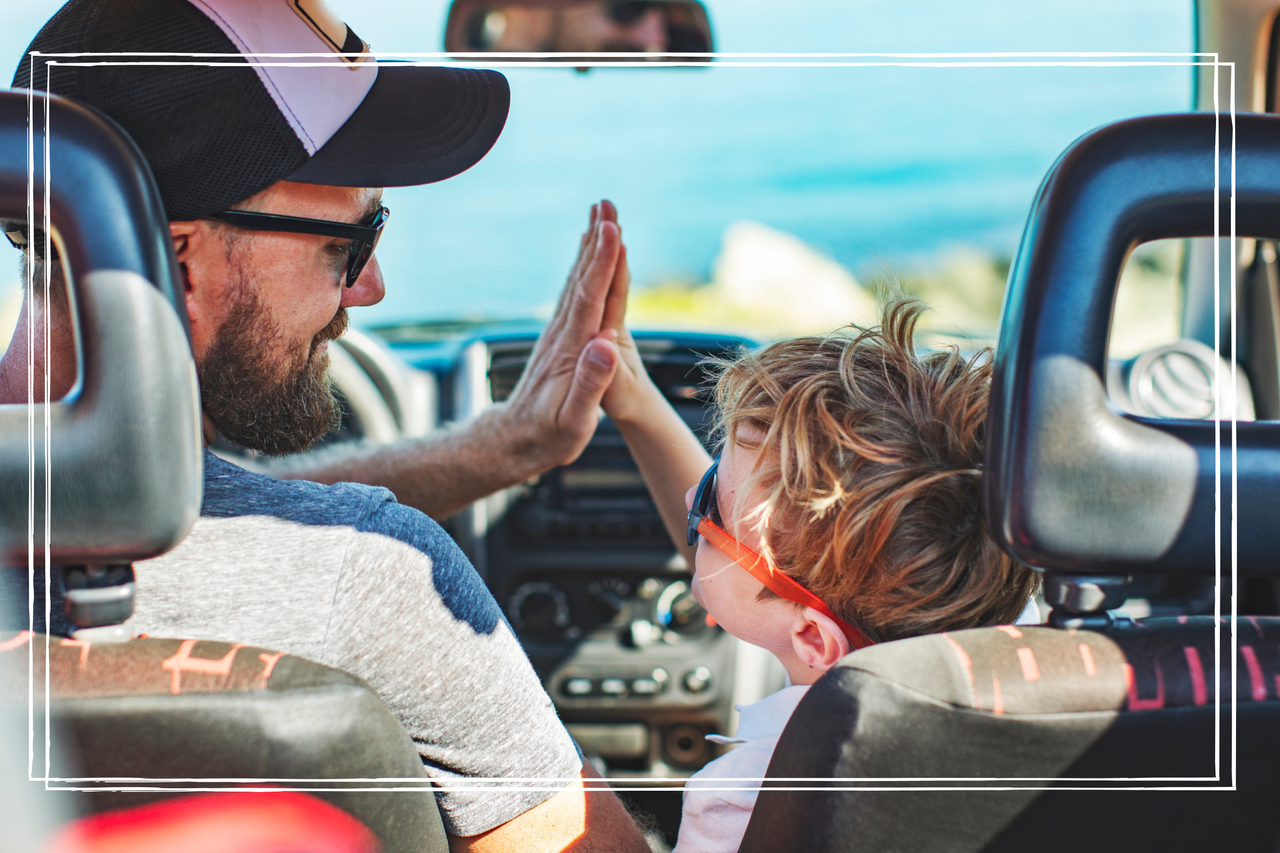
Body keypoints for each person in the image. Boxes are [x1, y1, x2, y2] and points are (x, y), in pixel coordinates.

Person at [1, 1, 647, 851]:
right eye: (349, 240)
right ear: (179, 262)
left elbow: (218, 515)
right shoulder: (371, 574)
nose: (371, 287)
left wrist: (504, 447)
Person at [597, 292, 1040, 853]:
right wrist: (637, 403)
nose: (690, 495)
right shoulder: (1004, 603)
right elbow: (761, 566)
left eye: (709, 508)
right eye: (710, 476)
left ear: (812, 638)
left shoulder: (743, 806)